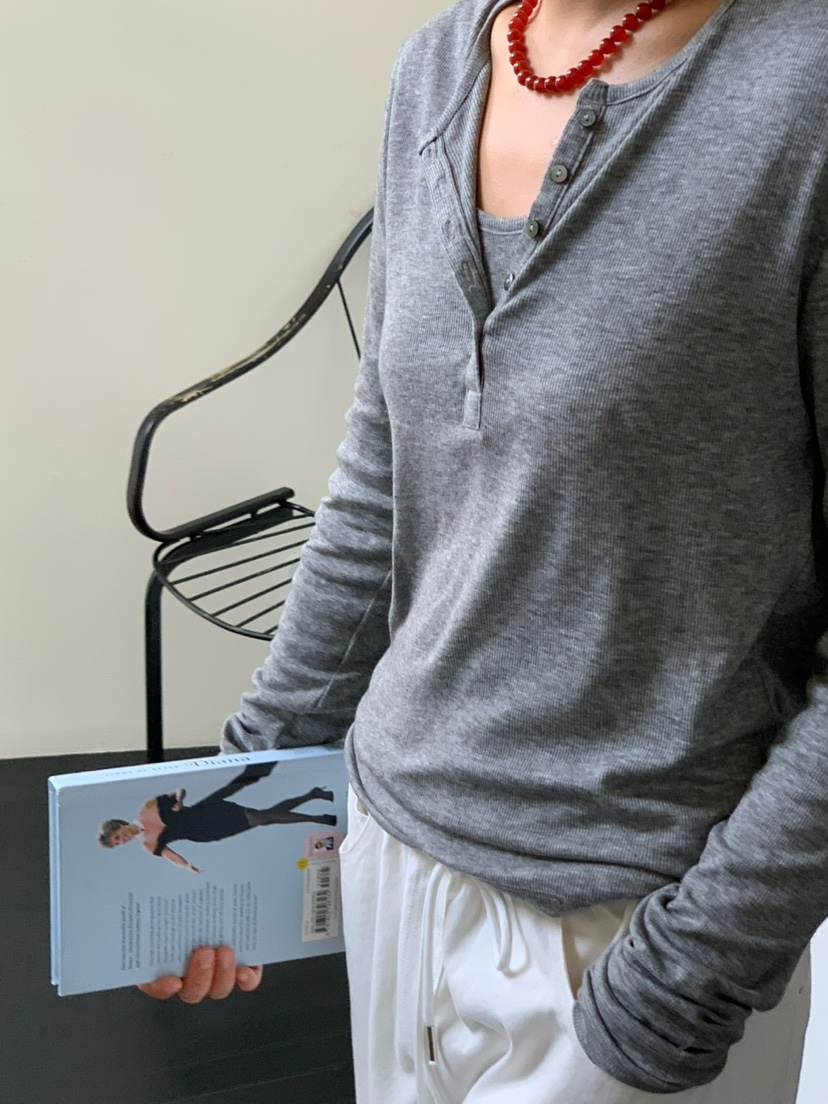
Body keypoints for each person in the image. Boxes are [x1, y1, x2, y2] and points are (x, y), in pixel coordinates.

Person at [141, 0, 828, 1100]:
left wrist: (697, 966)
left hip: (632, 926)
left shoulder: (803, 92)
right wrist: (240, 802)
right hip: (392, 859)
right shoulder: (434, 68)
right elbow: (381, 483)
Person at [103, 763, 335, 873]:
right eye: (118, 844)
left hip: (208, 813)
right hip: (208, 833)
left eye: (117, 837)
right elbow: (171, 856)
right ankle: (314, 795)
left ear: (119, 826)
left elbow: (178, 792)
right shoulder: (148, 845)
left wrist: (179, 802)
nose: (122, 841)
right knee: (266, 818)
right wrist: (188, 866)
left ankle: (319, 817)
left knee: (263, 819)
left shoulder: (147, 809)